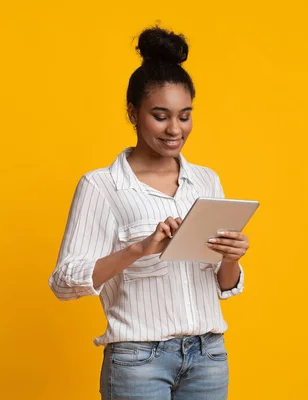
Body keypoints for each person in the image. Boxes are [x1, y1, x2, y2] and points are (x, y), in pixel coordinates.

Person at [48, 26, 251, 400]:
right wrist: (140, 249)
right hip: (139, 361)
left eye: (185, 115)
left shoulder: (206, 181)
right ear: (132, 112)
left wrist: (231, 259)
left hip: (208, 356)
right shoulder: (102, 186)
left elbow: (223, 285)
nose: (175, 129)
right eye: (161, 116)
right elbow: (63, 282)